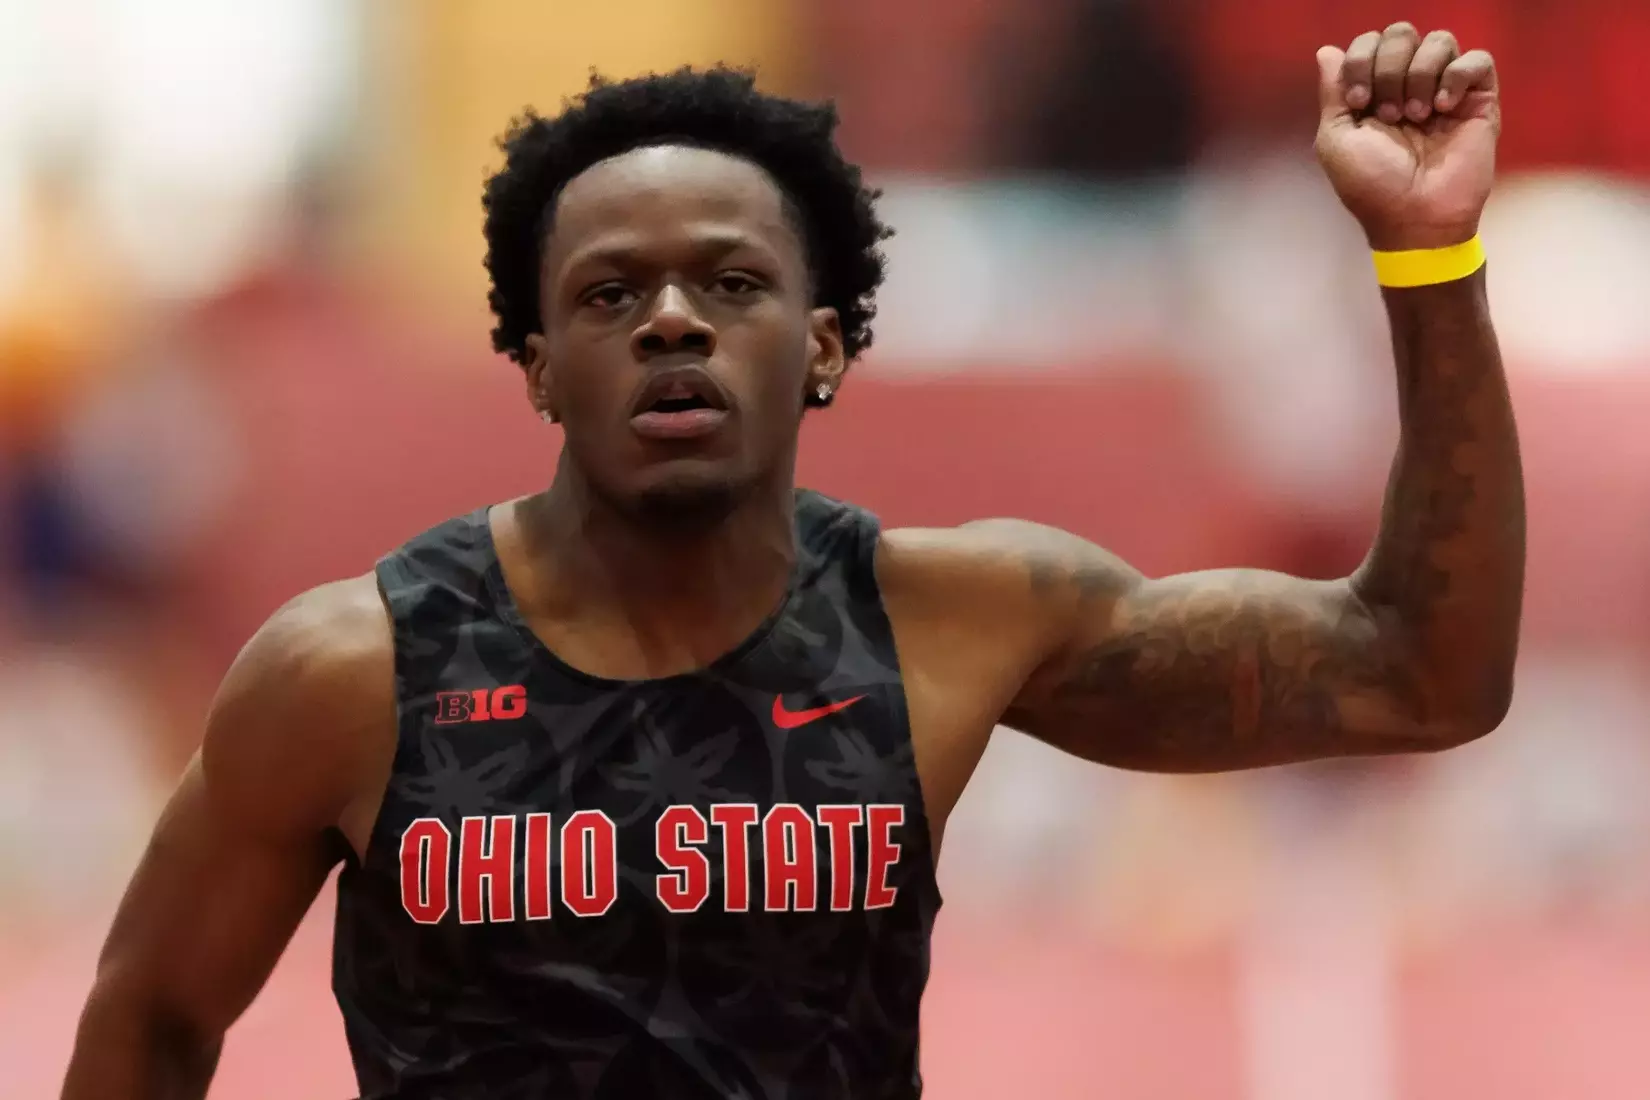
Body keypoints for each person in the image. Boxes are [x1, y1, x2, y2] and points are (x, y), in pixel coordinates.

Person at [63, 23, 1523, 1100]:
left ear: (820, 347)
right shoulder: (350, 674)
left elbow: (1415, 676)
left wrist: (1428, 260)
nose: (675, 323)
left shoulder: (952, 621)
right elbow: (147, 1028)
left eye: (735, 283)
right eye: (611, 293)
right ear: (536, 366)